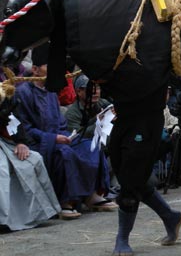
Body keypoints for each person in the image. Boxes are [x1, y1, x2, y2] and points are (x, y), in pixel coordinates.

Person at [14, 45, 115, 219]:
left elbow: (60, 122)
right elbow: (24, 127)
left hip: (60, 138)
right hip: (39, 142)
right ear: (36, 69)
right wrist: (54, 138)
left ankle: (91, 195)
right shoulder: (22, 92)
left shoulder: (51, 91)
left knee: (90, 147)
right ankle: (65, 201)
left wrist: (68, 135)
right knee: (64, 152)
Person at [108, 84, 181, 256]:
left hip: (146, 117)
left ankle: (123, 238)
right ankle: (169, 216)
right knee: (124, 169)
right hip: (123, 115)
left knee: (131, 175)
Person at [0, 93, 62, 230]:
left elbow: (13, 120)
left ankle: (43, 212)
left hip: (7, 142)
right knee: (1, 169)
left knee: (34, 159)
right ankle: (2, 220)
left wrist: (20, 141)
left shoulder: (4, 93)